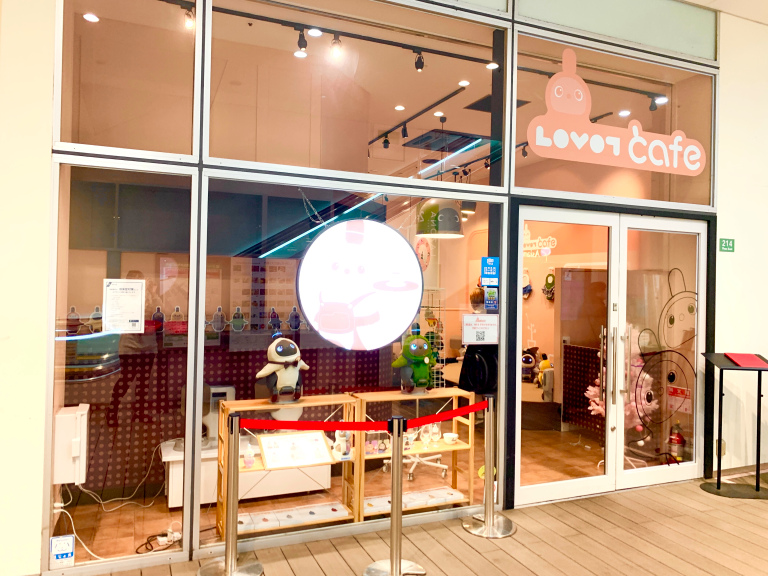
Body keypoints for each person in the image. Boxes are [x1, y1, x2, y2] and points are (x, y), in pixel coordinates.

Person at [106, 270, 161, 427]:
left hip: (148, 346)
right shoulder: (122, 297)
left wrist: (153, 292)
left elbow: (161, 311)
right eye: (134, 281)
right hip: (129, 346)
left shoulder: (149, 296)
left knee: (144, 382)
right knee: (126, 379)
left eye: (140, 281)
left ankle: (139, 412)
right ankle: (112, 412)